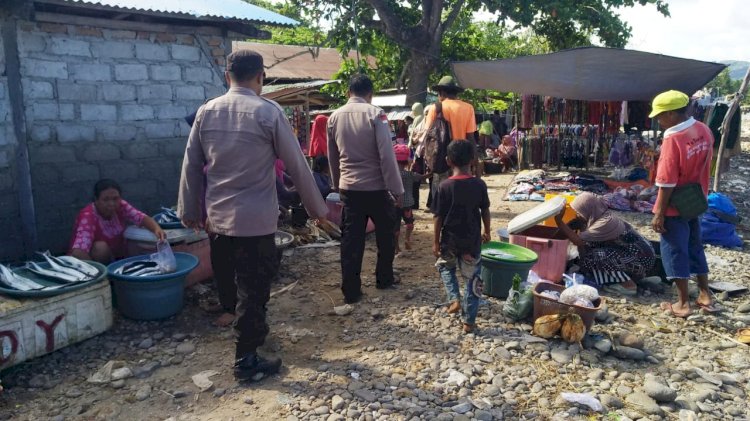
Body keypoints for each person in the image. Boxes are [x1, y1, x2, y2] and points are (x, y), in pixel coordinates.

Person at [177, 49, 329, 382]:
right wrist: (318, 209)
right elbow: (297, 167)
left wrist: (188, 211)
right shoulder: (268, 112)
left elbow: (191, 166)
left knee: (231, 281)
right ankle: (246, 360)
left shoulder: (206, 112)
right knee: (253, 289)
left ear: (226, 76)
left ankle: (251, 334)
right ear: (260, 76)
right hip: (255, 222)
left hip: (217, 220)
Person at [327, 74, 404, 303]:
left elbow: (332, 157)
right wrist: (397, 189)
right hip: (376, 187)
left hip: (349, 188)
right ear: (370, 94)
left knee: (351, 240)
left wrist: (336, 183)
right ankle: (384, 278)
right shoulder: (376, 114)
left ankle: (351, 290)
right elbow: (387, 156)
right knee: (386, 235)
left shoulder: (333, 117)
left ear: (348, 92)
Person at [649, 90, 716, 318]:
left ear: (671, 114)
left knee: (674, 250)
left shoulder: (673, 137)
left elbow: (666, 180)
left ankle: (682, 303)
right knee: (694, 245)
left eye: (660, 115)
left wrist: (659, 212)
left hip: (675, 203)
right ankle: (705, 294)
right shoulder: (703, 130)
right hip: (696, 200)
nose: (659, 120)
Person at [433, 140, 491, 334]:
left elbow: (438, 217)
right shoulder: (479, 184)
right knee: (473, 281)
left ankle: (454, 298)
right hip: (471, 242)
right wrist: (488, 231)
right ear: (473, 160)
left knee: (444, 267)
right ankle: (469, 322)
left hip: (449, 240)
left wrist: (435, 242)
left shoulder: (443, 186)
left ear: (448, 161)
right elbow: (485, 211)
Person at [554, 192, 655, 295]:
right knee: (589, 253)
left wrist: (559, 222)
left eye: (579, 212)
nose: (577, 215)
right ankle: (636, 278)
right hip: (639, 256)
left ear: (588, 209)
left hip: (642, 260)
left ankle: (628, 285)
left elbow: (579, 242)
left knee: (591, 258)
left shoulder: (604, 223)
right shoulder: (600, 216)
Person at [69, 179, 165, 264]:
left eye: (115, 198)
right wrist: (98, 274)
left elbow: (141, 218)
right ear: (96, 200)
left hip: (116, 256)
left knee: (136, 241)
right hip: (90, 263)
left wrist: (157, 229)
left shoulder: (121, 205)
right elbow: (78, 252)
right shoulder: (88, 216)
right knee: (100, 247)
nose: (111, 203)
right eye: (105, 200)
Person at [423, 76, 478, 205]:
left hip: (441, 156)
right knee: (460, 188)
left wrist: (428, 158)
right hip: (462, 157)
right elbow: (470, 136)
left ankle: (439, 213)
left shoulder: (435, 108)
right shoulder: (468, 108)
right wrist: (475, 158)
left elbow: (429, 135)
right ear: (455, 92)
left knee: (440, 189)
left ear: (442, 92)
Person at [393, 144, 429, 255]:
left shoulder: (391, 174)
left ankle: (396, 247)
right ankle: (407, 239)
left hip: (394, 205)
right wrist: (432, 172)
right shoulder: (410, 174)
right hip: (407, 204)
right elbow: (422, 177)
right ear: (407, 161)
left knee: (395, 227)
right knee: (409, 224)